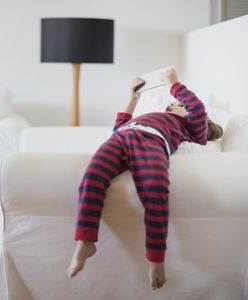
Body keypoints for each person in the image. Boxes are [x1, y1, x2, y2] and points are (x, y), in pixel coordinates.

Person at [67, 67, 223, 290]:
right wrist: (132, 98)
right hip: (123, 135)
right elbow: (117, 128)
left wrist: (174, 83)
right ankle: (86, 240)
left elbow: (196, 108)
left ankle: (156, 258)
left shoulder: (192, 129)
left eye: (179, 105)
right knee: (92, 175)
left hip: (152, 141)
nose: (172, 104)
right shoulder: (153, 115)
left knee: (155, 188)